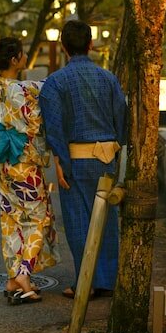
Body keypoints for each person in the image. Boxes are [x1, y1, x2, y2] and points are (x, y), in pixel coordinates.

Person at [38, 20, 126, 299]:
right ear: (90, 45)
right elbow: (121, 120)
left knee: (78, 220)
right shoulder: (108, 78)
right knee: (107, 219)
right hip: (106, 157)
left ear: (63, 47)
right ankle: (107, 280)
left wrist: (60, 161)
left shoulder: (55, 82)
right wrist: (115, 148)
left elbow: (54, 127)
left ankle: (84, 282)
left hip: (75, 158)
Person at [0, 36, 58, 305]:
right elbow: (36, 123)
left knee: (11, 219)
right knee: (39, 216)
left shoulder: (0, 87)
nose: (26, 58)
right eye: (23, 55)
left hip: (4, 162)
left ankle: (13, 277)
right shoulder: (22, 91)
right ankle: (24, 274)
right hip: (24, 164)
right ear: (15, 60)